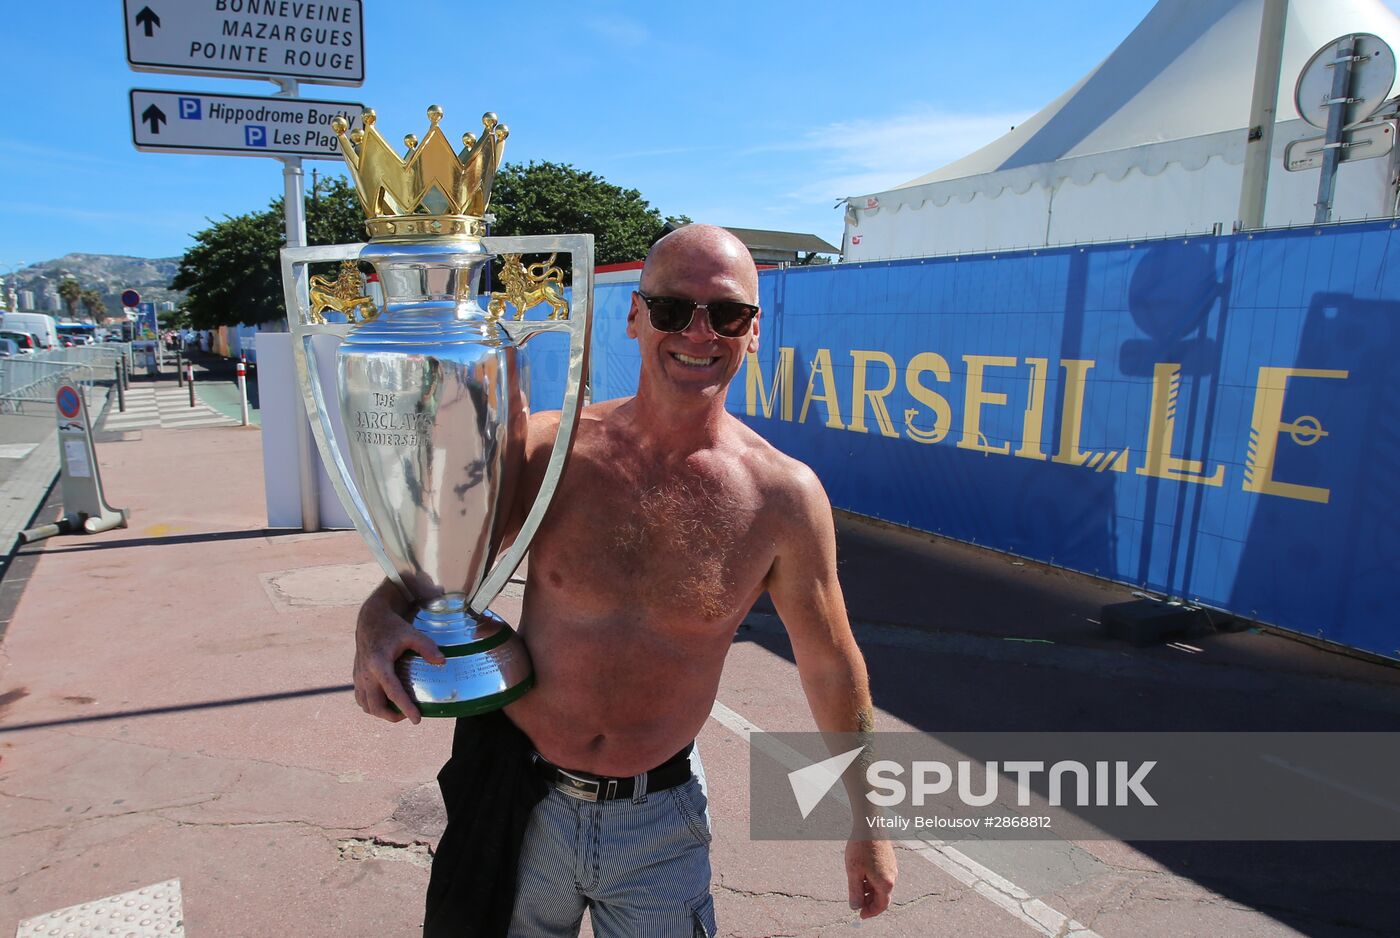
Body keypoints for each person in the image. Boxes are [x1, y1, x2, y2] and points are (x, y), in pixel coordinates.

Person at [353, 224, 897, 936]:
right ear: (636, 317)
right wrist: (376, 614)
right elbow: (443, 554)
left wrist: (869, 823)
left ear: (754, 331)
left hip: (659, 826)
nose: (698, 333)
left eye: (726, 314)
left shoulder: (783, 500)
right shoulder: (554, 450)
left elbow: (832, 665)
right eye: (673, 309)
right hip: (521, 803)